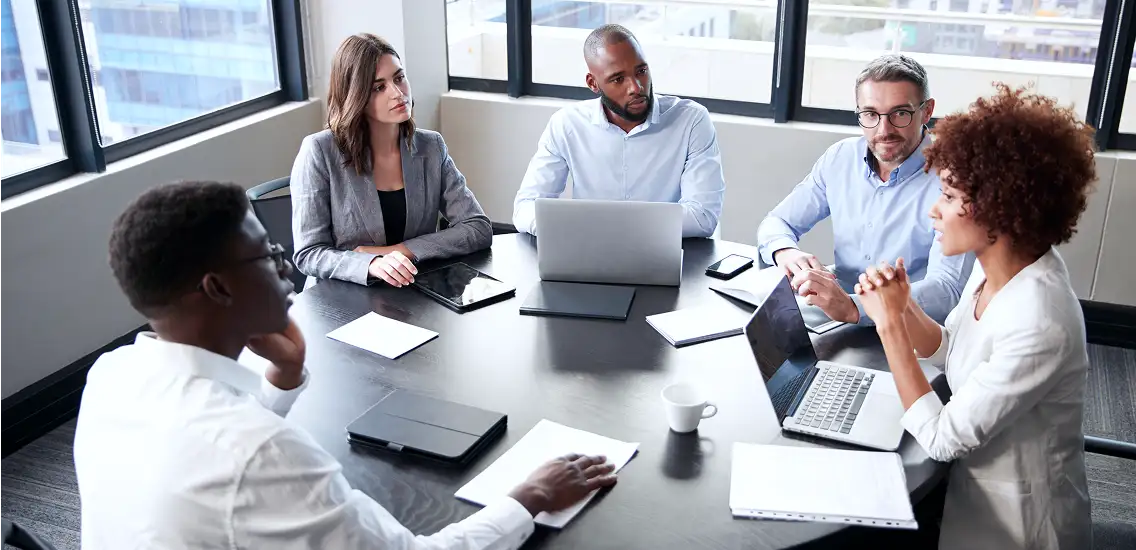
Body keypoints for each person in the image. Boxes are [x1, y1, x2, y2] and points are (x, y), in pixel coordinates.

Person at [75, 181, 619, 549]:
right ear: (217, 288)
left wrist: (286, 377)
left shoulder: (112, 375)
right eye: (267, 255)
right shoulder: (262, 452)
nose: (285, 266)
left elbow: (220, 452)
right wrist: (529, 496)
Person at [855, 85, 1095, 549]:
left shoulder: (1041, 320)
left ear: (998, 209)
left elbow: (942, 439)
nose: (934, 210)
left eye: (947, 196)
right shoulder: (996, 268)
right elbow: (952, 350)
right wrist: (904, 306)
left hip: (1022, 529)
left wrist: (889, 326)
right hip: (977, 496)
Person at [756, 54, 973, 325]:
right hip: (834, 318)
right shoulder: (840, 158)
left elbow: (947, 290)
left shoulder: (956, 179)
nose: (884, 130)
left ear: (927, 111)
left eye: (900, 113)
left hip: (910, 329)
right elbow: (777, 222)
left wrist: (854, 308)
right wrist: (787, 253)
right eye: (870, 114)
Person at [292, 33, 492, 288]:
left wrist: (398, 251)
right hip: (340, 296)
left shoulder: (431, 147)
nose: (398, 93)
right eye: (379, 87)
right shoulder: (319, 151)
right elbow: (309, 253)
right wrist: (370, 264)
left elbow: (477, 227)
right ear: (355, 96)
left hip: (412, 290)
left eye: (399, 78)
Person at [511, 24, 725, 238]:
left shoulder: (691, 121)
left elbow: (702, 217)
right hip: (590, 251)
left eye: (641, 71)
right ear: (593, 83)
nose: (636, 88)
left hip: (673, 252)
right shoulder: (567, 125)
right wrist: (569, 229)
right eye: (618, 79)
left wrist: (599, 225)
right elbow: (525, 208)